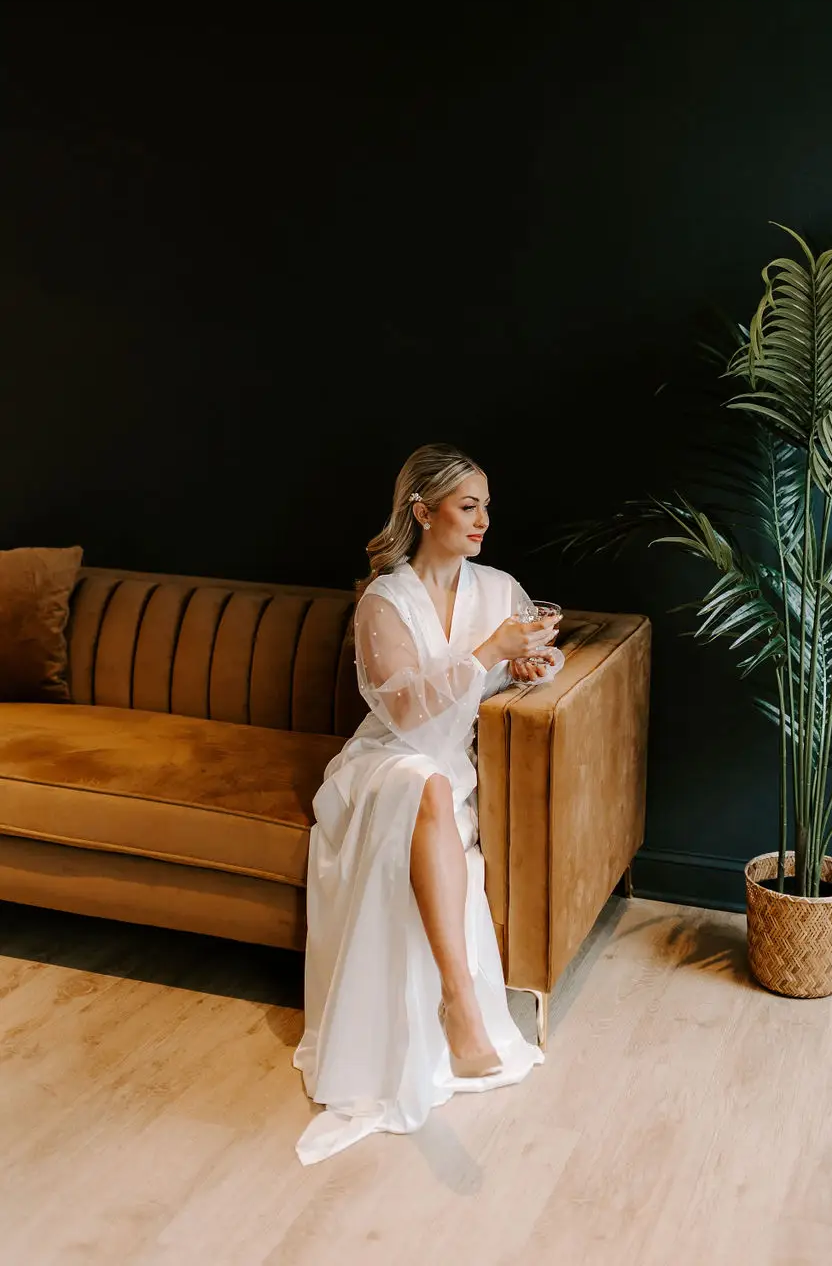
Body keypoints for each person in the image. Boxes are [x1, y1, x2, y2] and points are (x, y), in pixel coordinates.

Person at [293, 443, 564, 1165]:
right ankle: (463, 1005)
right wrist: (484, 655)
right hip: (384, 762)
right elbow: (410, 715)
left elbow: (520, 669)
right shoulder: (385, 601)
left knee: (439, 785)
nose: (482, 521)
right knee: (425, 783)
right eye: (467, 506)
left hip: (452, 769)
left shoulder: (500, 588)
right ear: (423, 512)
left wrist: (531, 662)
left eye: (485, 507)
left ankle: (462, 1010)